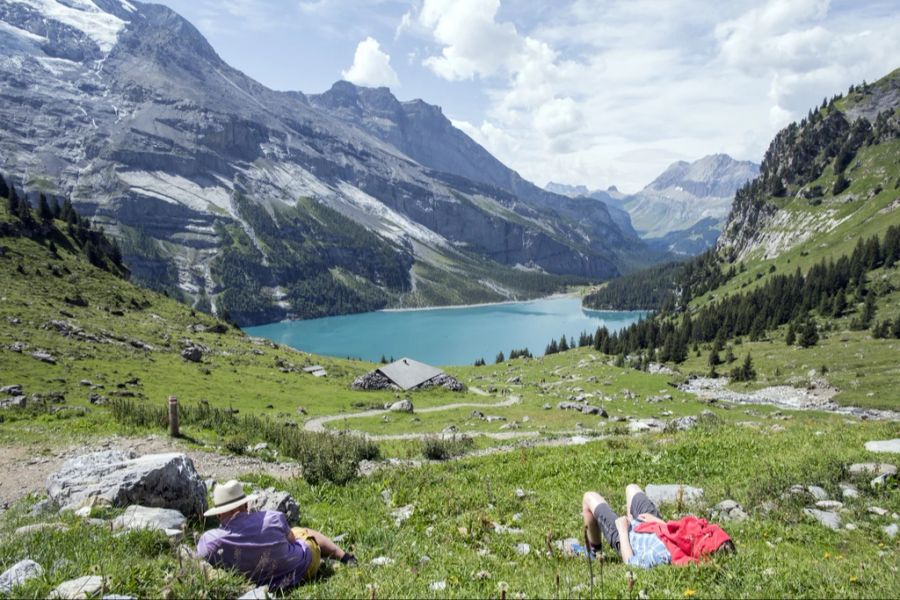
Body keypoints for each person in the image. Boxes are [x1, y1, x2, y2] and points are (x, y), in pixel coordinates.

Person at [197, 480, 356, 589]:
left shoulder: (210, 542)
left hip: (266, 587)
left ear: (218, 515)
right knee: (300, 531)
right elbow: (292, 540)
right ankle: (344, 557)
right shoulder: (273, 517)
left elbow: (201, 557)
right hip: (304, 568)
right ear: (246, 505)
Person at [581, 484, 734, 568]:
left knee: (589, 497)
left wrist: (622, 531)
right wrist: (656, 521)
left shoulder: (664, 556)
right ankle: (631, 520)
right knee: (632, 488)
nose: (704, 532)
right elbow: (677, 530)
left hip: (628, 538)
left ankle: (595, 552)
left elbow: (631, 563)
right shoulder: (694, 538)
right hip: (654, 525)